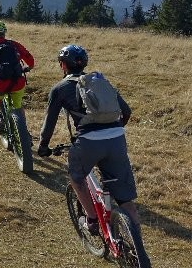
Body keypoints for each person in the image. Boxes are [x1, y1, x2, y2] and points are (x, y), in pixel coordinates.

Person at [38, 44, 140, 238]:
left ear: (62, 66)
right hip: (117, 139)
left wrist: (43, 146)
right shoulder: (100, 81)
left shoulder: (60, 88)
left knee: (76, 177)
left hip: (88, 142)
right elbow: (126, 112)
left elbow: (49, 123)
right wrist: (113, 130)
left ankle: (92, 219)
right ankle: (138, 252)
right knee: (127, 202)